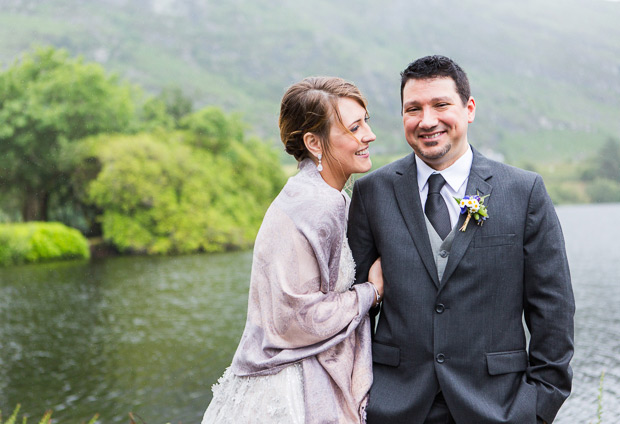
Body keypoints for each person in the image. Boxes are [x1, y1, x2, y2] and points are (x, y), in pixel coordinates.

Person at [347, 55, 575, 424]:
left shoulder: (523, 190)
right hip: (395, 406)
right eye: (413, 109)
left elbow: (553, 309)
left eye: (441, 105)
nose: (427, 121)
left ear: (469, 109)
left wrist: (538, 407)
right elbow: (352, 307)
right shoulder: (372, 192)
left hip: (499, 407)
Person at [201, 76, 384, 424]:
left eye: (366, 122)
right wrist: (371, 292)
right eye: (355, 127)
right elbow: (296, 318)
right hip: (292, 388)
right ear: (314, 142)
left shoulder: (315, 193)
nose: (369, 135)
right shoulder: (317, 203)